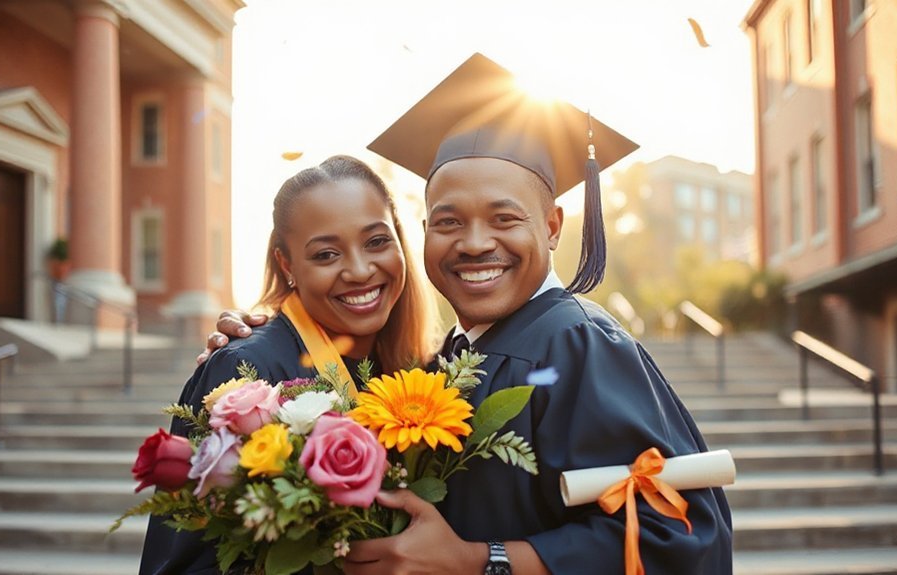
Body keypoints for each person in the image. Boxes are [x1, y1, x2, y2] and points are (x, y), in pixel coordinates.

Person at [203, 54, 733, 575]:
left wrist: (482, 561)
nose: (475, 243)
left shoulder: (577, 343)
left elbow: (676, 534)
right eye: (449, 222)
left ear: (551, 226)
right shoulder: (443, 361)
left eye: (504, 218)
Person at [139, 155, 439, 575]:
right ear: (287, 264)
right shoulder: (246, 377)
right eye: (326, 254)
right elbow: (185, 562)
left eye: (376, 241)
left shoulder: (422, 371)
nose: (358, 270)